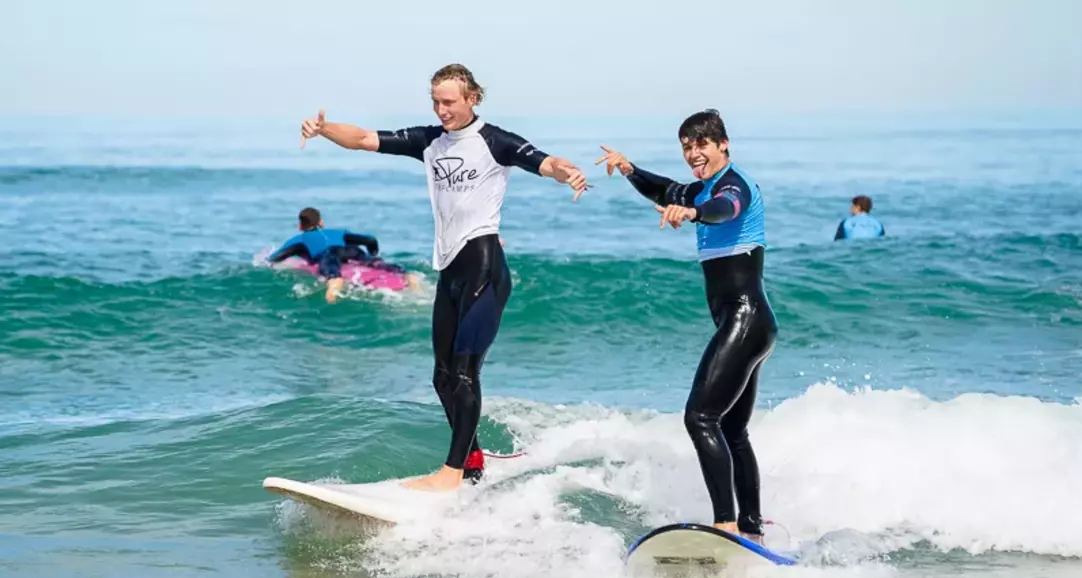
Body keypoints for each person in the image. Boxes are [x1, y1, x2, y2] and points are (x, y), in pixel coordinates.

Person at [300, 63, 589, 491]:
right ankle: (471, 463)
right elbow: (363, 139)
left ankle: (452, 474)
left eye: (449, 101)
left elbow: (545, 162)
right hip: (450, 269)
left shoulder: (496, 141)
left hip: (485, 267)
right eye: (435, 101)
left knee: (466, 371)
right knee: (442, 375)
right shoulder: (429, 141)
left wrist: (567, 173)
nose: (441, 109)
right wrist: (324, 130)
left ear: (473, 98)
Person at [596, 109, 777, 544]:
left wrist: (693, 214)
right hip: (749, 321)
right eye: (686, 147)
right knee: (732, 429)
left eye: (701, 145)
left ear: (722, 145)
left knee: (700, 417)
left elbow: (721, 209)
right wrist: (628, 169)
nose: (693, 154)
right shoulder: (701, 187)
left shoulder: (733, 187)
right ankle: (752, 529)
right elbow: (664, 188)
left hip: (745, 317)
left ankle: (725, 525)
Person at [267, 207, 400, 303]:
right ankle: (408, 278)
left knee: (332, 271)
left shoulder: (299, 240)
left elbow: (277, 257)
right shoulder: (339, 232)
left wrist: (270, 261)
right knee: (376, 263)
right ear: (321, 223)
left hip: (330, 254)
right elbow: (370, 240)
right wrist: (373, 255)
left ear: (300, 226)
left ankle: (333, 288)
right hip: (351, 251)